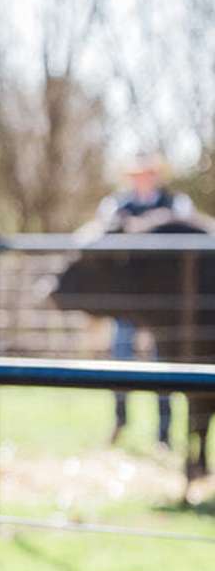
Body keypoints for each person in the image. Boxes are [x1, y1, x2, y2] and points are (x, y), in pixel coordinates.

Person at [97, 153, 193, 447]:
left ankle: (163, 433)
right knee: (121, 359)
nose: (143, 177)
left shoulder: (176, 203)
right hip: (129, 302)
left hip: (163, 304)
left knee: (161, 366)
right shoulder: (115, 205)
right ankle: (120, 419)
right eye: (137, 173)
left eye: (148, 172)